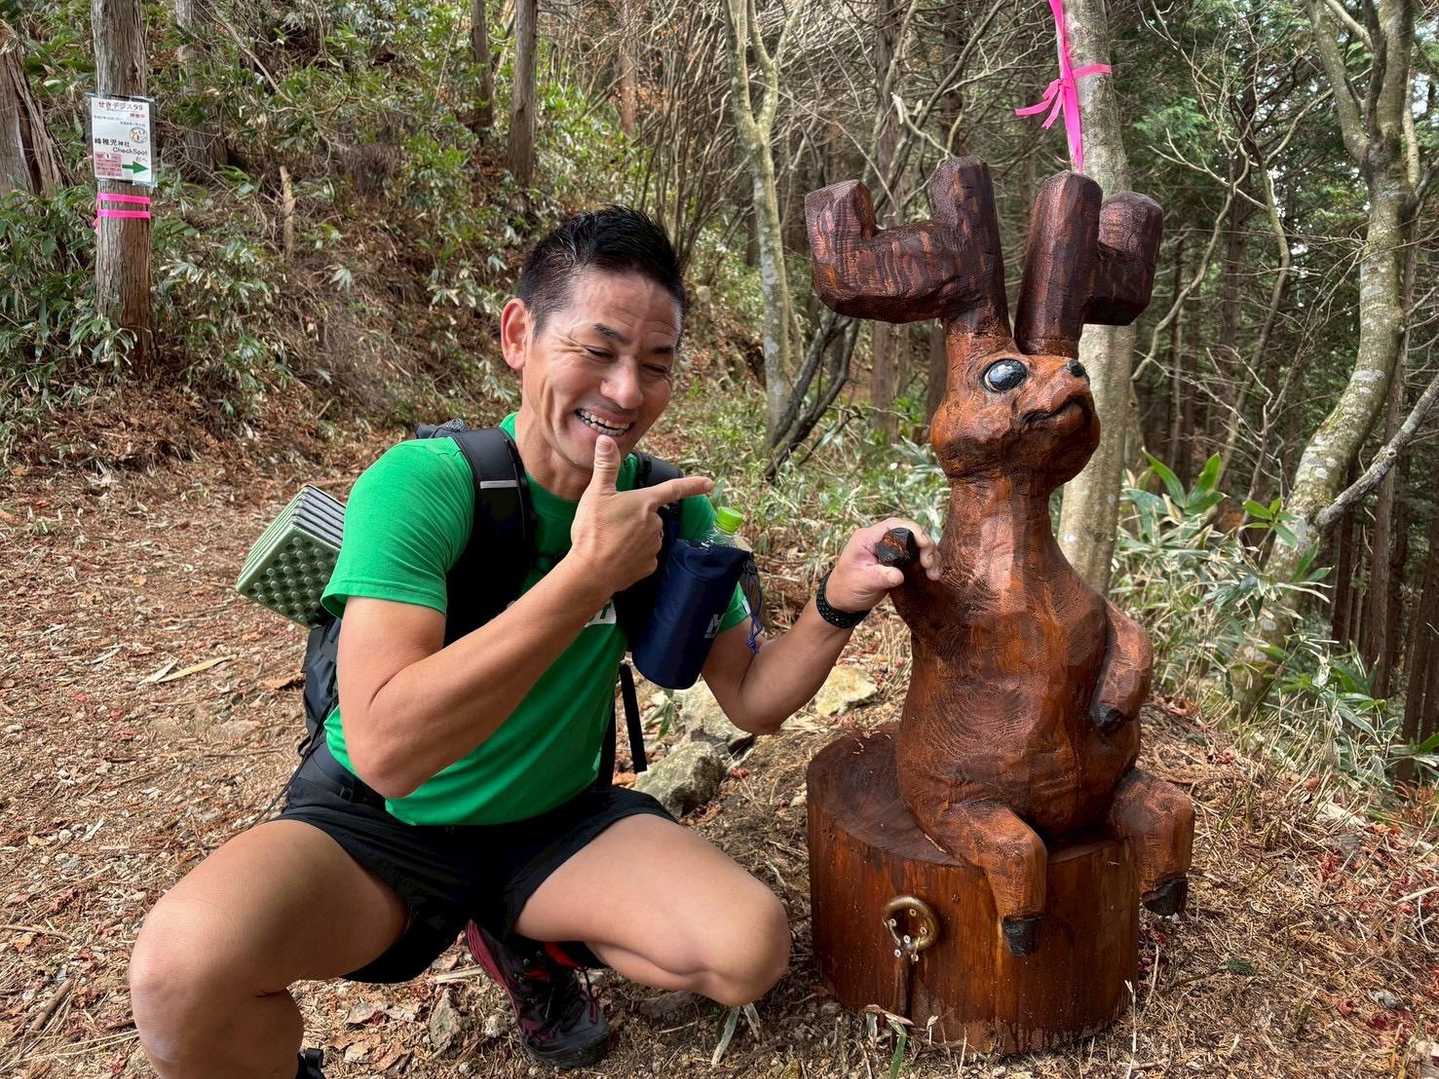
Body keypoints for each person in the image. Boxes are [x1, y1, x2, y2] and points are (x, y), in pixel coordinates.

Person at [128, 206, 940, 1078]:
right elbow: (387, 751)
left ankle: (527, 936)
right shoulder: (423, 486)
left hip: (551, 822)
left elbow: (750, 696)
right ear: (518, 335)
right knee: (181, 975)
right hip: (380, 825)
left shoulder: (666, 510)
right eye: (597, 350)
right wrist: (585, 577)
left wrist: (837, 600)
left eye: (655, 364)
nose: (625, 392)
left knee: (748, 949)